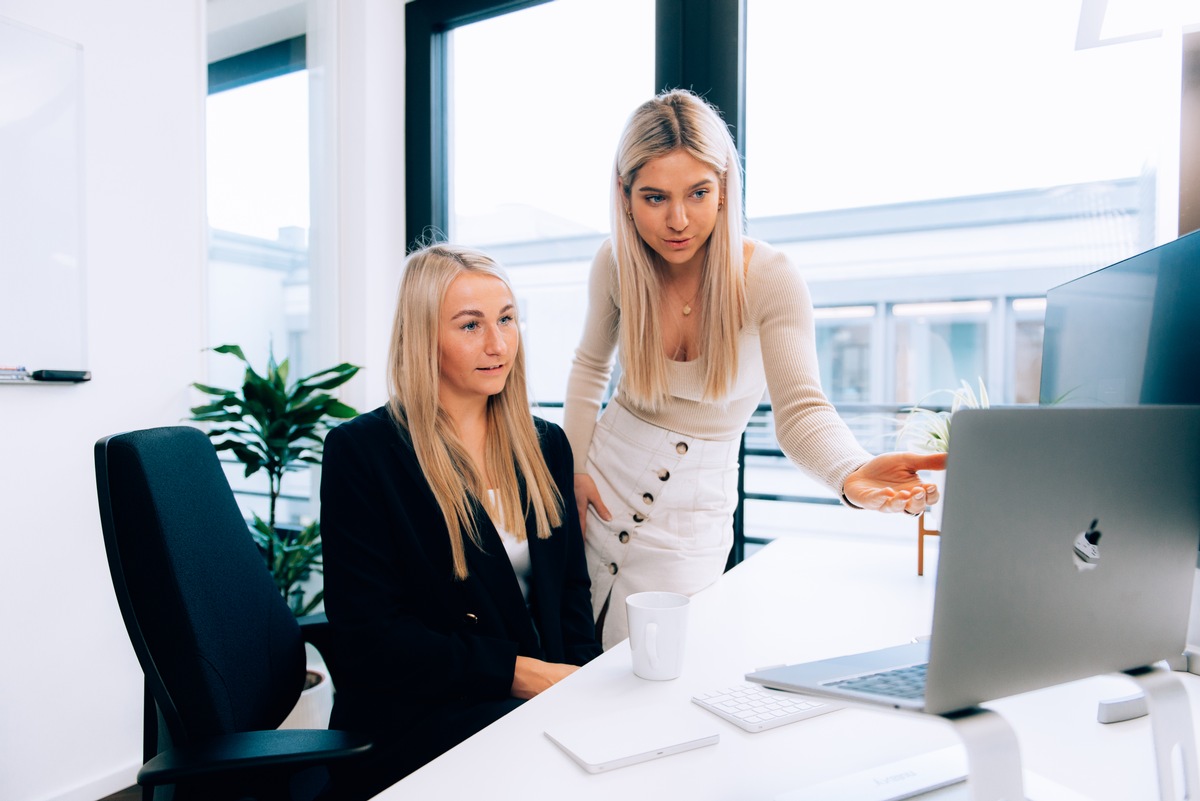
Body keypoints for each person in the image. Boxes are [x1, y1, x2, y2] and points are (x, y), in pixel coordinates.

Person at [565, 89, 948, 650]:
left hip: (693, 515)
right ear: (625, 197)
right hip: (599, 484)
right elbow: (589, 368)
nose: (678, 220)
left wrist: (851, 471)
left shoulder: (769, 276)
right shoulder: (616, 261)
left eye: (698, 193)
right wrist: (573, 473)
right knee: (563, 651)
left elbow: (802, 410)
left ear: (724, 190)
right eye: (654, 197)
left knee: (653, 670)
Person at [321, 243, 602, 797]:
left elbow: (571, 592)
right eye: (470, 326)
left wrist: (585, 688)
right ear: (425, 337)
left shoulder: (546, 446)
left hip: (528, 703)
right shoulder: (364, 453)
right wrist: (523, 674)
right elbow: (370, 639)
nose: (498, 344)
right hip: (421, 718)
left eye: (505, 319)